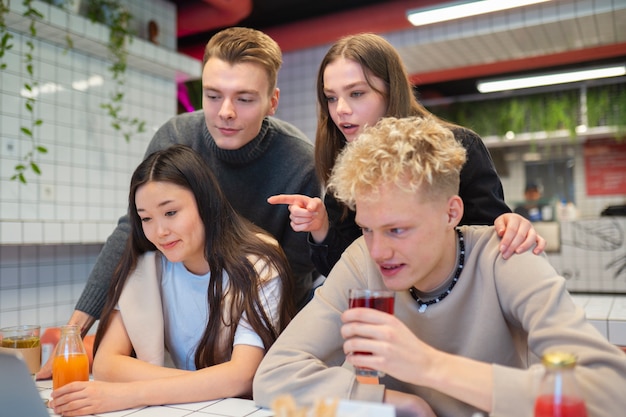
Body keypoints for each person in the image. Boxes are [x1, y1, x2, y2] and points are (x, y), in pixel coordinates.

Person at [253, 116, 626, 417]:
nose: (379, 251)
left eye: (397, 229)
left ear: (451, 212)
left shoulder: (507, 257)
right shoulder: (360, 260)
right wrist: (397, 403)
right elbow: (274, 375)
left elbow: (611, 391)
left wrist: (427, 366)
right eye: (367, 229)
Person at [36, 27, 320, 379]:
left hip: (265, 315)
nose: (226, 112)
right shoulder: (177, 137)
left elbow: (295, 271)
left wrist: (252, 357)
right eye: (213, 96)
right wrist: (75, 333)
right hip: (196, 311)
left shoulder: (300, 161)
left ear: (272, 101)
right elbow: (131, 229)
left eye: (244, 99)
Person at [268, 33, 545, 277]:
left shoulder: (456, 147)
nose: (340, 109)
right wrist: (321, 227)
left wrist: (510, 227)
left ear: (391, 90)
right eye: (331, 97)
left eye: (356, 93)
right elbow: (348, 273)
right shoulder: (346, 162)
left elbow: (492, 237)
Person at [48, 144, 296, 416]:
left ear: (205, 203)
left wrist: (130, 393)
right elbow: (107, 364)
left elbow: (242, 376)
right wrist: (209, 383)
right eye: (146, 218)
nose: (160, 231)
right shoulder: (144, 269)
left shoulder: (258, 266)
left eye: (170, 213)